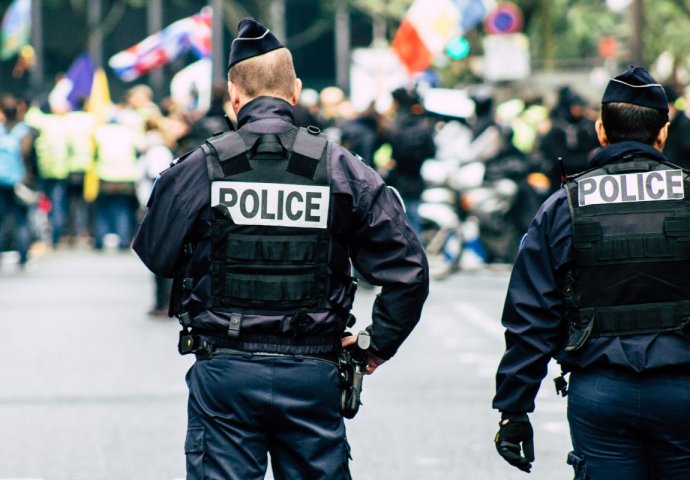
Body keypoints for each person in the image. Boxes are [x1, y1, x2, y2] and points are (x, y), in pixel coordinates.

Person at [133, 17, 429, 480]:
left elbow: (156, 254)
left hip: (225, 370)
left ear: (234, 95)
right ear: (295, 93)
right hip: (312, 372)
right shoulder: (343, 168)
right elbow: (408, 271)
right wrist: (375, 345)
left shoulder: (200, 167)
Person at [492, 65, 690, 479]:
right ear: (663, 133)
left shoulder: (564, 206)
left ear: (601, 131)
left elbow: (531, 317)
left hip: (601, 393)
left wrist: (514, 410)